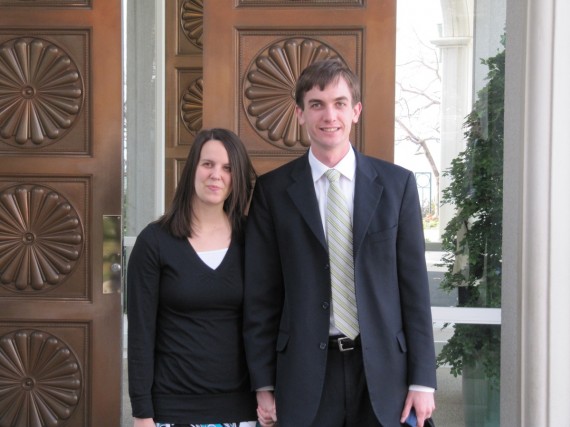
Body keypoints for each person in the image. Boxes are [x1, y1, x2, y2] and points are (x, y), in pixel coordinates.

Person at [243, 59, 437, 427]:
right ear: (300, 113)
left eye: (339, 103)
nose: (329, 115)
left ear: (356, 111)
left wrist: (423, 378)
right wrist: (263, 383)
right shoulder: (272, 192)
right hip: (304, 375)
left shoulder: (398, 187)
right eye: (316, 104)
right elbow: (261, 297)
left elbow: (415, 291)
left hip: (384, 373)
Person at [127, 128, 258, 427]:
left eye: (227, 168)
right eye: (208, 164)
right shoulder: (154, 242)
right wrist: (142, 413)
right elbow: (140, 336)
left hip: (242, 409)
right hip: (172, 409)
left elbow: (268, 322)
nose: (216, 175)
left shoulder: (253, 239)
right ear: (192, 170)